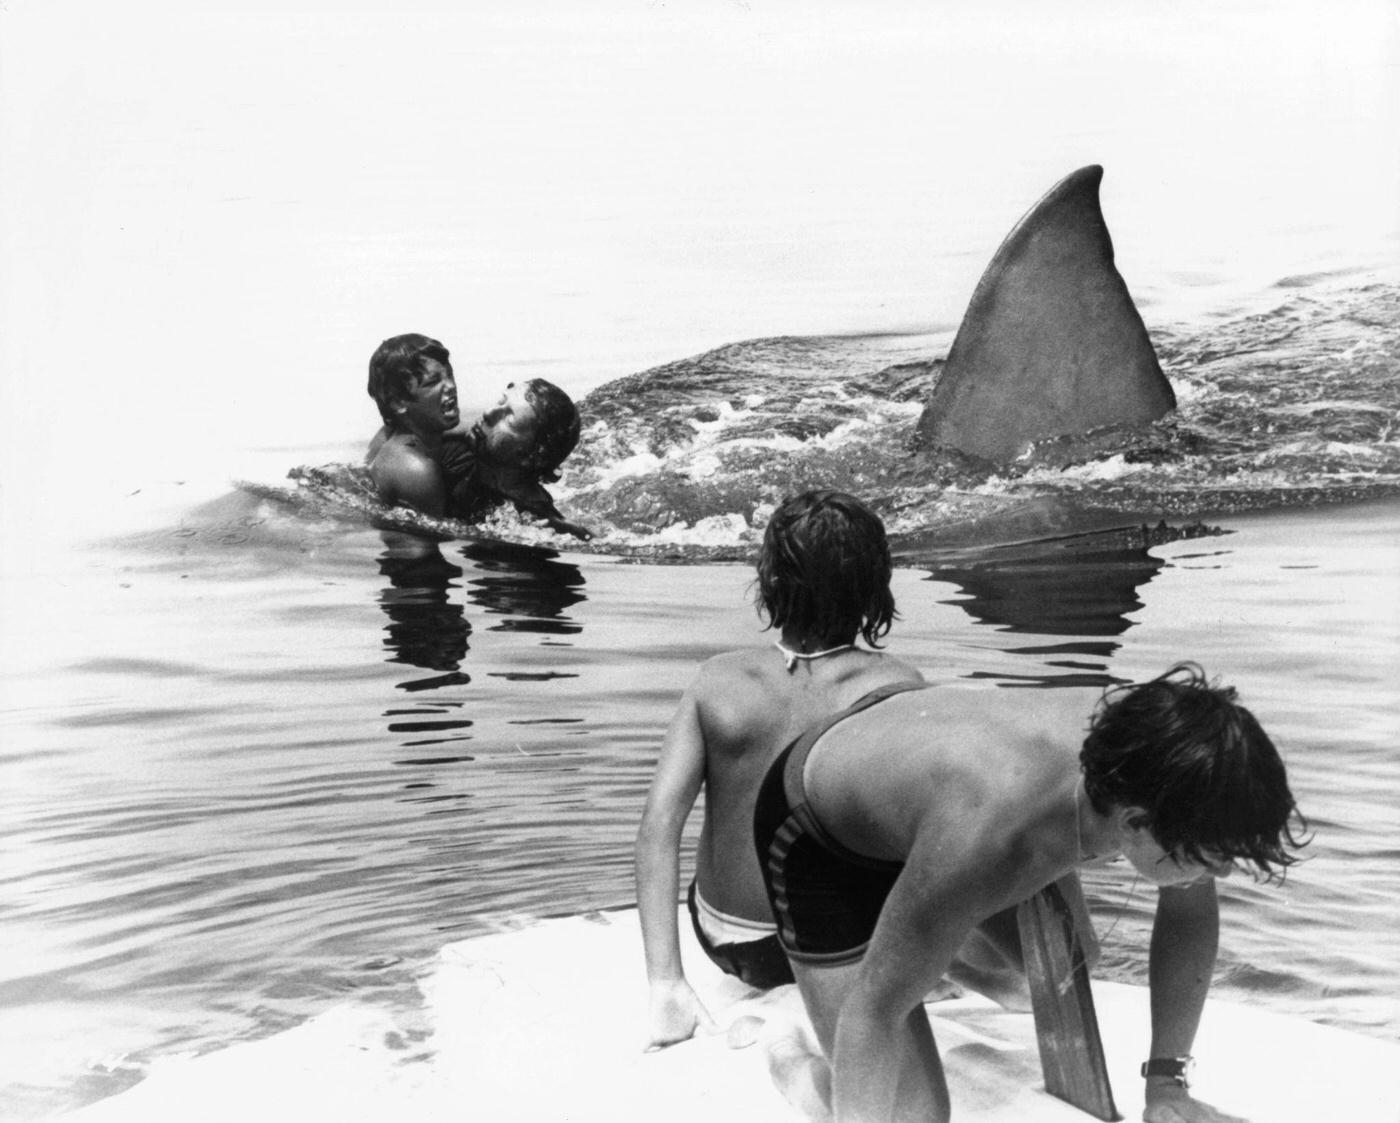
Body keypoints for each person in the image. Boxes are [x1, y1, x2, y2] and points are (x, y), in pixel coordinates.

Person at [753, 662, 1306, 1123]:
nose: (1226, 873)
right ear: (1135, 824)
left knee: (1066, 966)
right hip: (816, 831)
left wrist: (1167, 1086)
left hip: (926, 767)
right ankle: (787, 1053)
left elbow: (1189, 916)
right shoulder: (992, 838)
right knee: (915, 1116)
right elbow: (872, 1014)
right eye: (1213, 859)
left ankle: (925, 945)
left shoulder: (1170, 755)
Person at [634, 490, 924, 1050]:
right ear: (873, 585)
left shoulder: (718, 679)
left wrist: (666, 982)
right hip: (826, 949)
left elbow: (656, 830)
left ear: (769, 580)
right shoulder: (894, 687)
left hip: (719, 935)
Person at [365, 333, 592, 539]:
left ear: (530, 456)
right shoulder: (446, 452)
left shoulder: (526, 522)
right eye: (500, 402)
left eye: (507, 417)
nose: (488, 413)